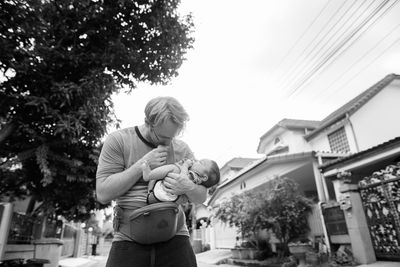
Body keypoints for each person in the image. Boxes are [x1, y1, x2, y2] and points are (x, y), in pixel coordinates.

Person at [96, 96, 207, 267]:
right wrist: (143, 164)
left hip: (175, 236)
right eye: (163, 137)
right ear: (148, 122)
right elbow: (103, 193)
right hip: (129, 238)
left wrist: (188, 186)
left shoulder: (182, 149)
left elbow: (201, 197)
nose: (168, 143)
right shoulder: (119, 140)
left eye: (173, 137)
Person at [143, 157, 220, 204]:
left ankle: (149, 175)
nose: (196, 161)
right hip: (168, 200)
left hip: (165, 194)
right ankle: (150, 191)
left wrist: (185, 165)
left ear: (204, 177)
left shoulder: (194, 176)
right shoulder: (197, 182)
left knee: (174, 168)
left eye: (200, 162)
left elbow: (183, 179)